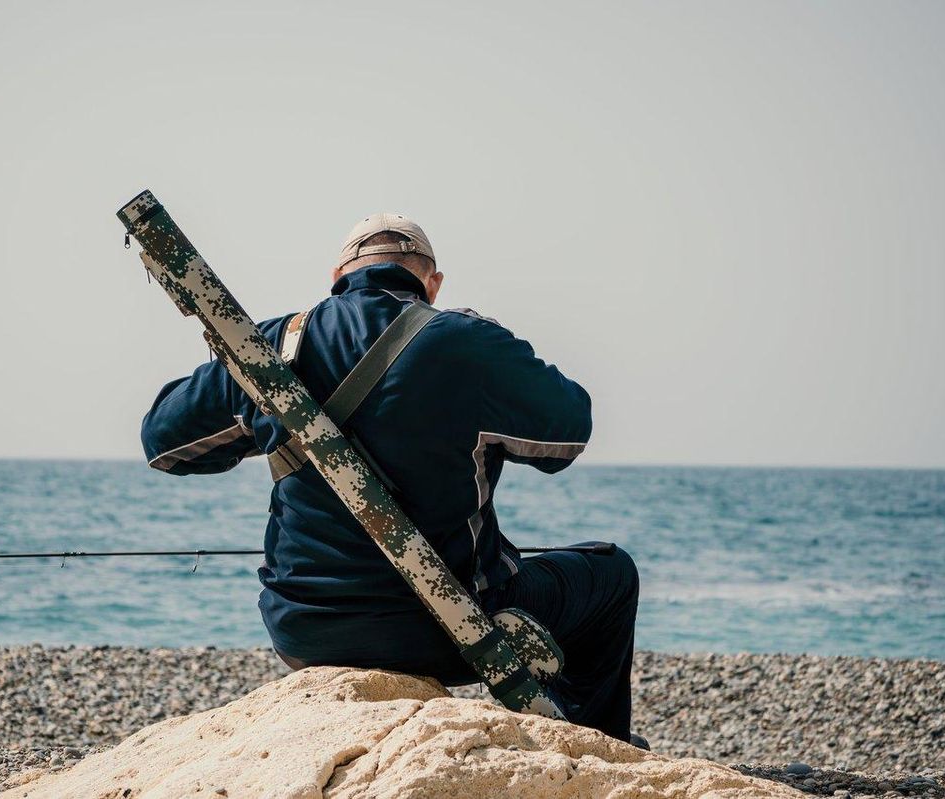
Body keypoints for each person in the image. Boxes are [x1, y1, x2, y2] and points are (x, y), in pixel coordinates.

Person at [140, 213, 640, 743]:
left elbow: (164, 444)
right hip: (448, 630)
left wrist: (254, 413)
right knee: (610, 575)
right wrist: (490, 352)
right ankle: (594, 745)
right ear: (432, 283)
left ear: (337, 276)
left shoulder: (270, 347)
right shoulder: (465, 341)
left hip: (304, 628)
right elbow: (569, 433)